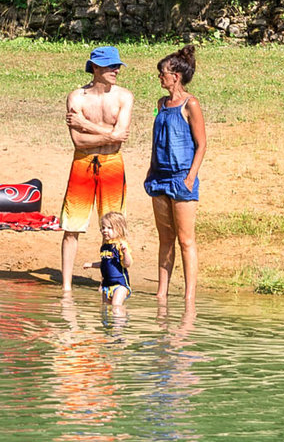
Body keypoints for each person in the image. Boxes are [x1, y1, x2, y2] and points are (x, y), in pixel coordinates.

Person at [60, 46, 136, 289]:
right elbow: (78, 141)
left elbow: (121, 136)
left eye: (117, 66)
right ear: (95, 67)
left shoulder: (124, 96)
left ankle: (116, 280)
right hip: (83, 162)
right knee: (72, 226)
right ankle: (66, 287)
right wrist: (110, 134)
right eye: (110, 66)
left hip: (112, 163)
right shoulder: (76, 97)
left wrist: (85, 124)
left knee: (114, 225)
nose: (116, 70)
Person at [144, 42, 207, 311]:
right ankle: (161, 294)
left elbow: (201, 144)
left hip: (182, 177)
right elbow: (157, 139)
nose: (160, 77)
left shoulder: (190, 103)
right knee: (165, 238)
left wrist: (191, 177)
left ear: (176, 76)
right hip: (158, 177)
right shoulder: (161, 103)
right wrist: (150, 169)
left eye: (163, 73)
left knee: (185, 239)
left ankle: (189, 297)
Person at [97, 212, 132, 308]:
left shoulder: (120, 245)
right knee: (105, 309)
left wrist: (125, 253)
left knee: (116, 307)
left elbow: (127, 264)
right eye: (103, 227)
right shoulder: (104, 246)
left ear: (119, 229)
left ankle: (121, 322)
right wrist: (91, 265)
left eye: (109, 228)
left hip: (120, 285)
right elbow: (105, 263)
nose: (105, 230)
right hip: (106, 285)